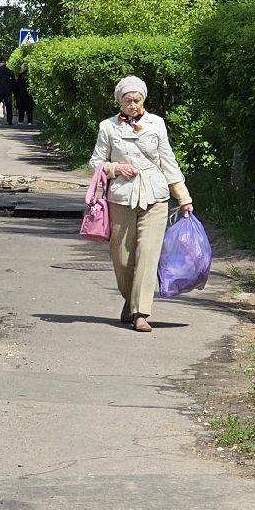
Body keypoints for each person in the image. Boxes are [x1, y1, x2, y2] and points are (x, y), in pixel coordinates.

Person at [90, 75, 194, 332]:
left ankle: (140, 313)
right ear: (120, 102)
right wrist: (115, 168)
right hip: (121, 199)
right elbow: (95, 163)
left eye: (137, 100)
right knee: (122, 258)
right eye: (128, 100)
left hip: (155, 197)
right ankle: (130, 299)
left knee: (148, 256)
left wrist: (184, 197)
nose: (133, 105)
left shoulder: (157, 124)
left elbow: (168, 162)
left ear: (143, 99)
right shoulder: (108, 127)